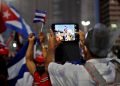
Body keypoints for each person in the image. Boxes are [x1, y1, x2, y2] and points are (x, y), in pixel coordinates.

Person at [45, 23, 116, 86]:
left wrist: (51, 47)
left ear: (85, 50)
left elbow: (48, 66)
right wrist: (86, 43)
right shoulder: (116, 66)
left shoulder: (76, 72)